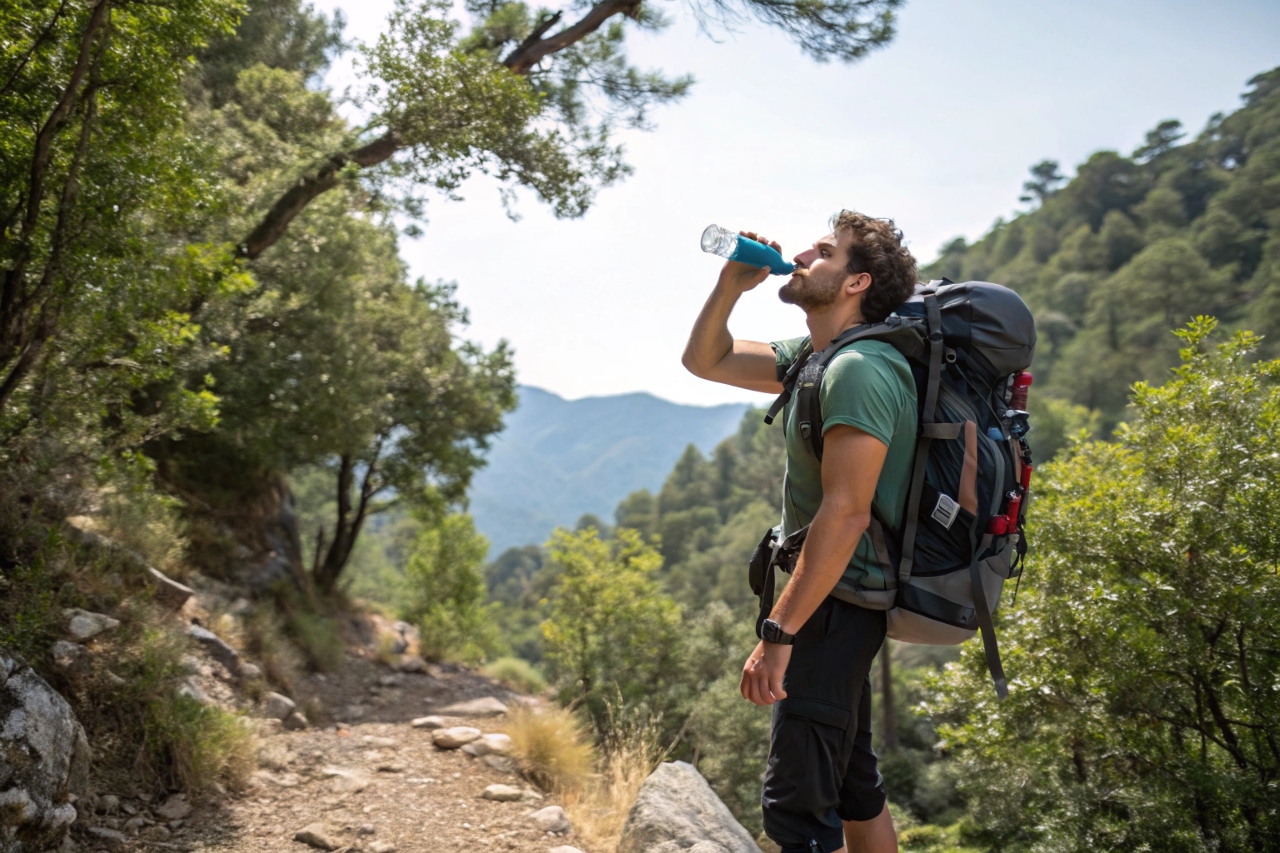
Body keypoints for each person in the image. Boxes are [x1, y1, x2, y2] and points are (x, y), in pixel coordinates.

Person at [682, 211, 919, 853]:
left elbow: (847, 513)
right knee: (852, 784)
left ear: (856, 283)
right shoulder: (817, 357)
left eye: (827, 250)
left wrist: (779, 633)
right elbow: (708, 360)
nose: (806, 251)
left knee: (797, 811)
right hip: (832, 598)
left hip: (833, 604)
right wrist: (732, 285)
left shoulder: (861, 370)